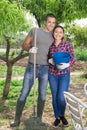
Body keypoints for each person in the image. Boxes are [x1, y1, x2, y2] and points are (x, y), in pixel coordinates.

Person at [10, 13, 56, 127]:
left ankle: (39, 118)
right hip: (32, 67)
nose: (51, 24)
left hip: (45, 69)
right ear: (45, 21)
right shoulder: (35, 31)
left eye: (53, 22)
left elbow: (55, 51)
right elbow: (24, 44)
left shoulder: (54, 36)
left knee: (42, 95)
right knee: (24, 93)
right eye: (49, 22)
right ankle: (16, 119)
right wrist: (30, 49)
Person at [48, 25, 76, 128]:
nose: (58, 34)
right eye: (56, 32)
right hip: (52, 74)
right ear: (53, 33)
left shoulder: (67, 44)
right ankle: (57, 117)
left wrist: (68, 64)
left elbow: (73, 58)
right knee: (55, 97)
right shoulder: (50, 46)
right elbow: (49, 59)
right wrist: (49, 61)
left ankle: (62, 115)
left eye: (60, 32)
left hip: (64, 74)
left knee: (61, 97)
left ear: (63, 34)